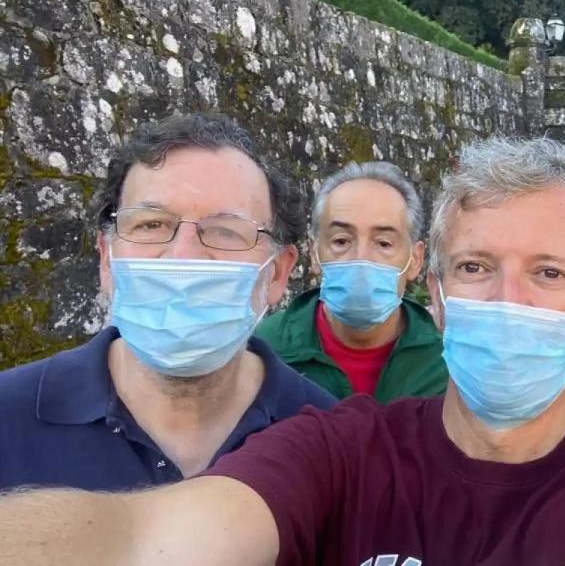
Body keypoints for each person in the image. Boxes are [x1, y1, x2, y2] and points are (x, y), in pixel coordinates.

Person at [0, 138, 565, 566]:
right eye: (476, 268)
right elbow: (150, 534)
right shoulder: (338, 443)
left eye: (548, 273)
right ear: (436, 295)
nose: (510, 301)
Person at [0, 113, 336, 491]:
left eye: (225, 230)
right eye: (151, 224)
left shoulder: (335, 443)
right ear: (108, 258)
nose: (183, 256)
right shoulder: (6, 419)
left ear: (277, 274)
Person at [255, 162, 447, 400]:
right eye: (341, 241)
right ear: (315, 253)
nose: (361, 258)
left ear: (415, 260)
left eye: (384, 243)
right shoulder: (263, 350)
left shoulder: (445, 366)